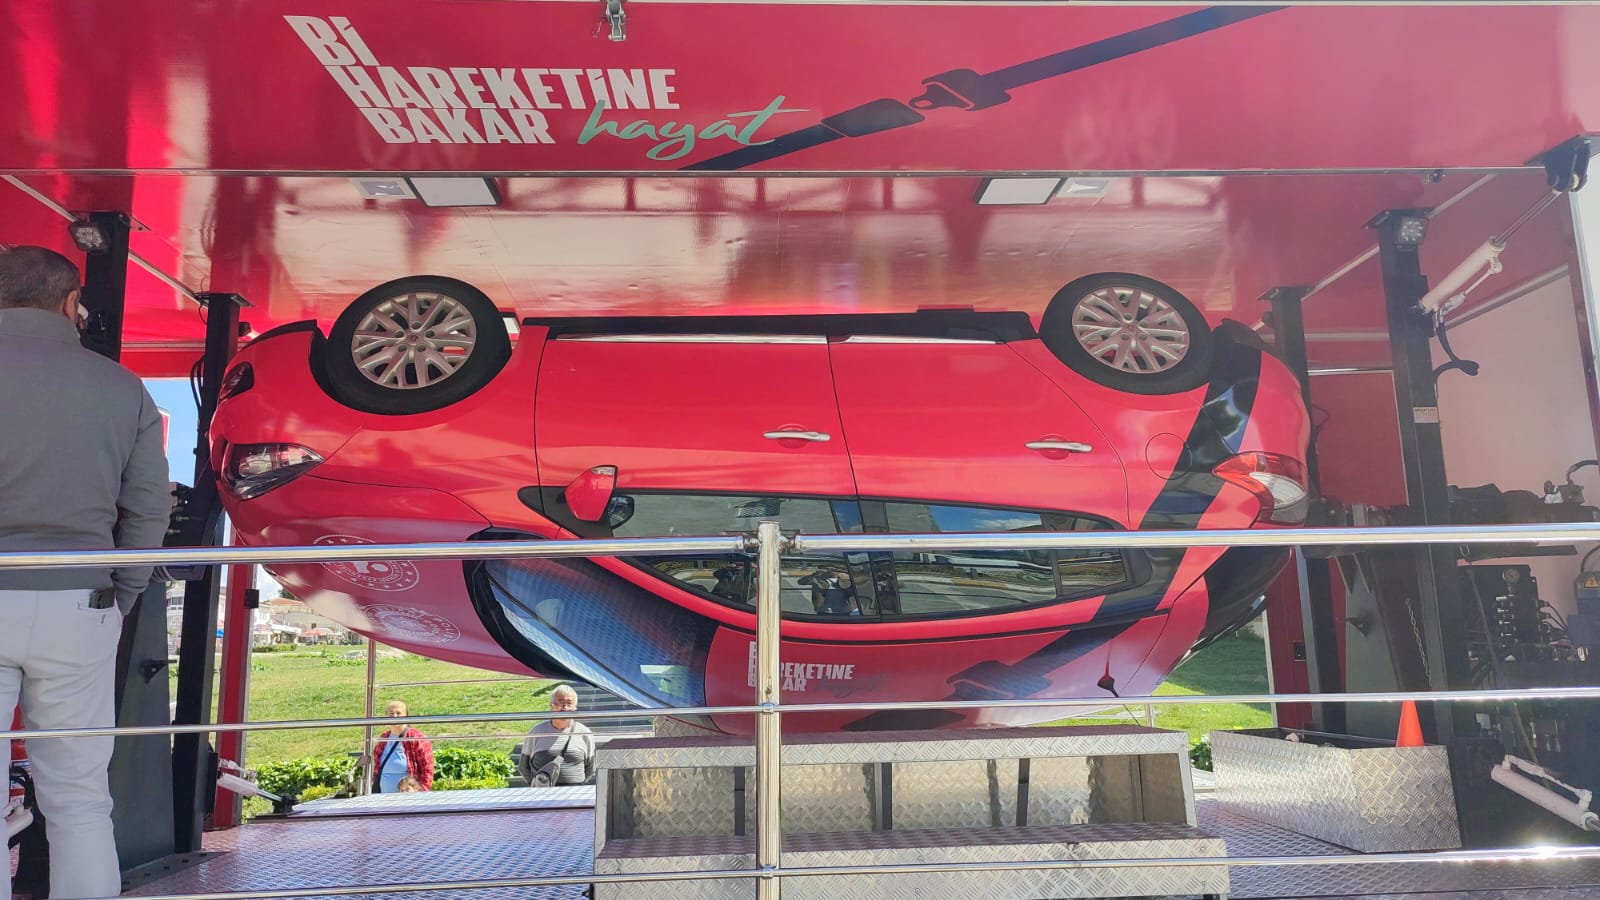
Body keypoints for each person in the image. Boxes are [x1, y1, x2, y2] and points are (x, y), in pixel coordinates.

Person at [0, 246, 171, 900]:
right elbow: (149, 507)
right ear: (72, 303)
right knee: (78, 797)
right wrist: (121, 592)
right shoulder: (121, 387)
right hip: (81, 601)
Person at [518, 685, 595, 786]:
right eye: (560, 703)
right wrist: (536, 785)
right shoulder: (536, 732)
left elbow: (590, 768)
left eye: (569, 703)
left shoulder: (585, 733)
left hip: (575, 793)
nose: (565, 708)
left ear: (575, 708)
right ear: (551, 706)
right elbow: (523, 767)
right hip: (543, 794)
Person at [371, 701, 434, 793]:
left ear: (406, 716)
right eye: (391, 713)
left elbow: (428, 771)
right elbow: (376, 767)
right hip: (383, 797)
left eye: (398, 713)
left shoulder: (417, 738)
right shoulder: (384, 738)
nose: (394, 716)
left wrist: (420, 793)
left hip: (408, 798)